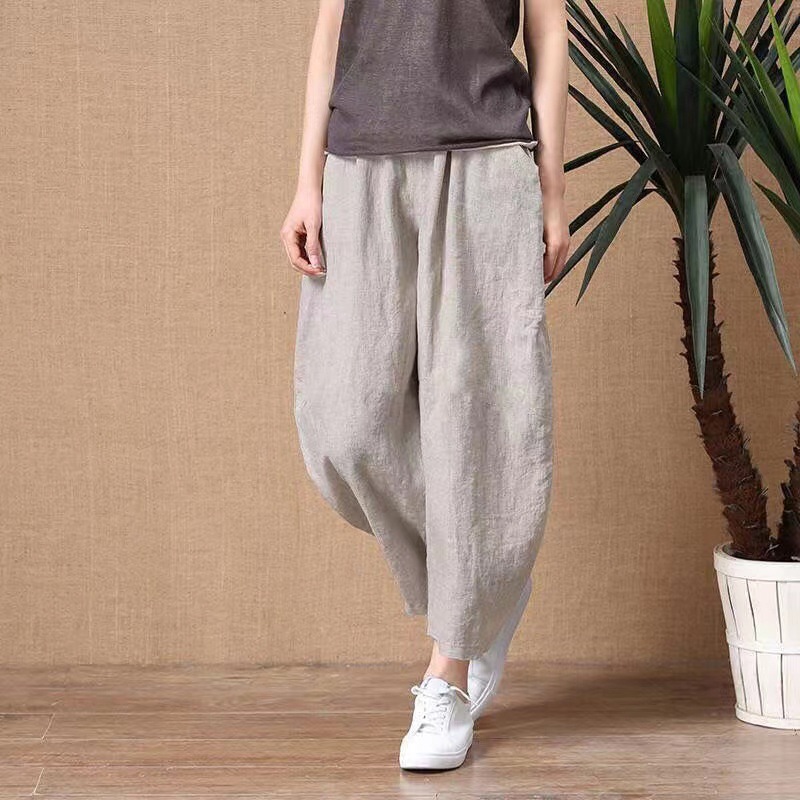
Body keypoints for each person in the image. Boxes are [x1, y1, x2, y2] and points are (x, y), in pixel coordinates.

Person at [280, 0, 568, 771]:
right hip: (359, 167)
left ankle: (450, 670)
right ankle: (482, 581)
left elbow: (548, 32)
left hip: (486, 162)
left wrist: (552, 191)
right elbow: (330, 34)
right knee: (345, 424)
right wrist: (308, 182)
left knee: (472, 420)